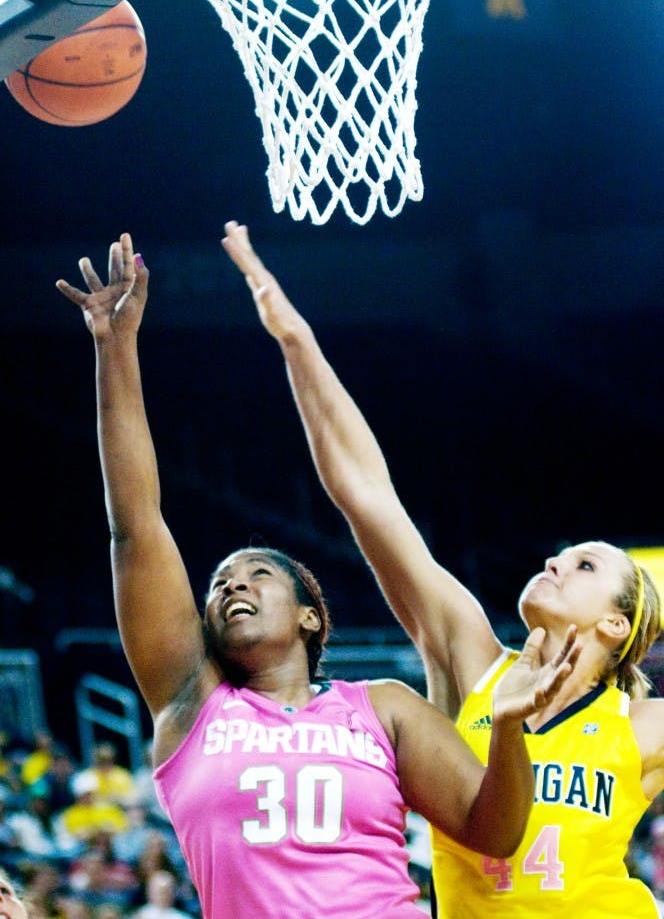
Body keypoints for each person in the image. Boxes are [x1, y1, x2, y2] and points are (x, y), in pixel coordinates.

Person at [55, 233, 580, 919]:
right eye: (220, 584)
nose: (230, 586)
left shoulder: (384, 707)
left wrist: (509, 728)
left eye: (256, 574)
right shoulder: (193, 705)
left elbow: (495, 832)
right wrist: (113, 346)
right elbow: (135, 523)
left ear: (310, 615)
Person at [220, 219, 664, 918]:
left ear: (617, 621)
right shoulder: (470, 659)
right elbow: (368, 498)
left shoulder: (642, 725)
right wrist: (297, 342)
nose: (554, 561)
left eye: (582, 566)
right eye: (562, 554)